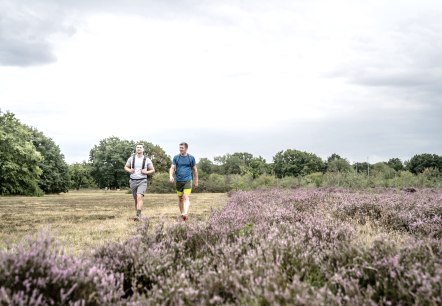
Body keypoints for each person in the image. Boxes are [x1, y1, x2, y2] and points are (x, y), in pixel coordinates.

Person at [124, 143, 155, 220]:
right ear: (135, 149)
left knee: (139, 196)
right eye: (137, 147)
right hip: (133, 181)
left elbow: (153, 170)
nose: (138, 149)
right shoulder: (131, 158)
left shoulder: (147, 160)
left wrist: (146, 172)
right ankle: (137, 214)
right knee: (136, 199)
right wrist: (129, 170)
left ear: (143, 149)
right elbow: (125, 167)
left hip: (142, 181)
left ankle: (138, 215)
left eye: (140, 147)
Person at [169, 142, 198, 221]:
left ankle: (185, 213)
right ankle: (182, 214)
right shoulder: (176, 157)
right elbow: (172, 168)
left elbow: (195, 170)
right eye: (180, 148)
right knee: (180, 198)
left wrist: (196, 181)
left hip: (188, 180)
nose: (180, 149)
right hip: (178, 180)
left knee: (186, 197)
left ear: (186, 148)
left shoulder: (191, 158)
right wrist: (171, 176)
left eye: (182, 148)